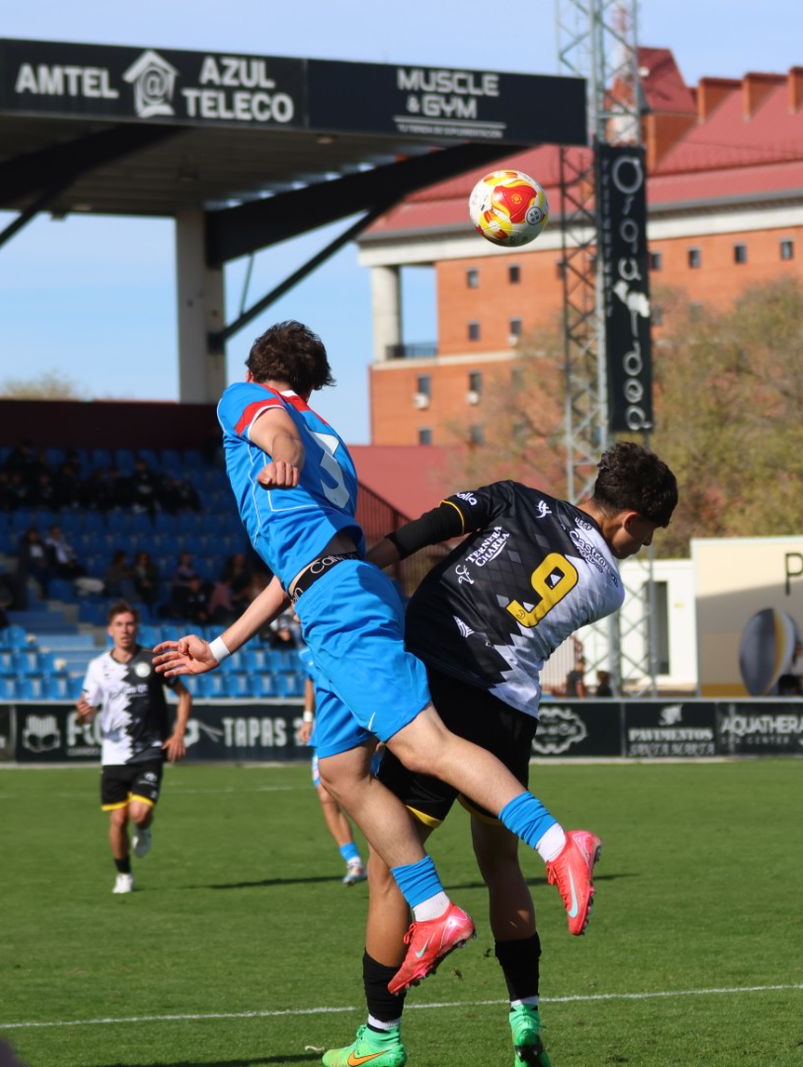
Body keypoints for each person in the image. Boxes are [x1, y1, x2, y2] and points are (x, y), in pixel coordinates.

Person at [153, 320, 603, 996]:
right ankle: (433, 909)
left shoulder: (248, 401)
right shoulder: (332, 442)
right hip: (338, 588)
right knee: (340, 771)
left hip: (339, 603)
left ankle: (558, 843)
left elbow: (273, 429)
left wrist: (279, 454)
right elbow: (297, 565)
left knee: (425, 746)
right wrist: (219, 647)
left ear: (255, 370)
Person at [319, 442, 678, 1067]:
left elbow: (435, 526)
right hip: (510, 713)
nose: (644, 545)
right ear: (629, 519)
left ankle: (379, 1038)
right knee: (500, 863)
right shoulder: (609, 586)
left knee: (390, 869)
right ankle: (525, 1021)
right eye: (649, 533)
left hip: (442, 690)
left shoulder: (516, 498)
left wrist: (372, 564)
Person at [77, 601, 191, 894]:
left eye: (129, 624)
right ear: (110, 630)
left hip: (149, 749)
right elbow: (86, 714)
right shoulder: (97, 667)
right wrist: (82, 714)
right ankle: (124, 875)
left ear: (136, 628)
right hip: (113, 754)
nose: (125, 630)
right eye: (119, 625)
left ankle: (143, 828)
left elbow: (184, 695)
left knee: (138, 813)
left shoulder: (152, 659)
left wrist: (178, 734)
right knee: (118, 818)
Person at [295, 641, 369, 886]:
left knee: (369, 797)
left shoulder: (349, 643)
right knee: (326, 795)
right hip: (327, 731)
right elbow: (310, 679)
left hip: (364, 727)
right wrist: (308, 718)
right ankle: (353, 861)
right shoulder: (306, 652)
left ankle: (387, 862)